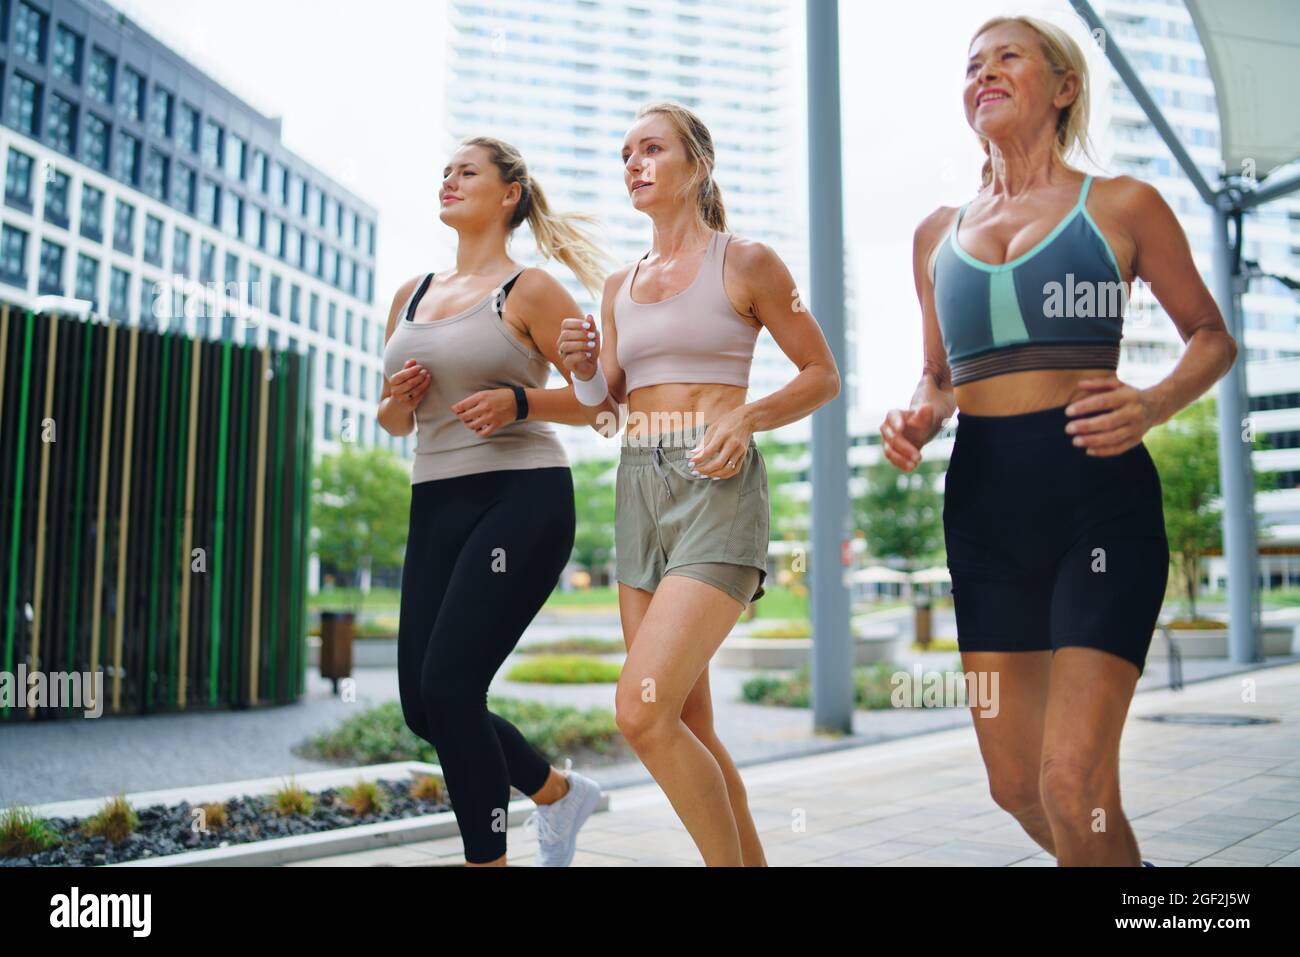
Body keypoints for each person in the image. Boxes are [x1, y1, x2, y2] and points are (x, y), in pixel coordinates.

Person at [879, 15, 1236, 866]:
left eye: (1009, 58)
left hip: (1098, 501)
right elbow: (939, 377)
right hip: (982, 513)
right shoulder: (936, 233)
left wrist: (1151, 405)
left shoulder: (1120, 204)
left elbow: (1212, 336)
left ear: (1065, 87)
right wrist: (919, 415)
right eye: (972, 65)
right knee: (1018, 786)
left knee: (1072, 785)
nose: (985, 74)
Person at [557, 102, 840, 866]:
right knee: (689, 722)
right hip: (636, 488)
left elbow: (822, 375)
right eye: (625, 154)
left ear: (698, 164)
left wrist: (747, 417)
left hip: (715, 485)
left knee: (640, 711)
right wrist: (581, 363)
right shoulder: (619, 283)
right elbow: (602, 412)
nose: (634, 164)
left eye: (652, 148)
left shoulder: (745, 262)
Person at [379, 136, 613, 867]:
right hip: (434, 499)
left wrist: (519, 400)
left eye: (466, 171)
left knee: (450, 685)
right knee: (426, 706)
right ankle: (557, 794)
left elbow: (603, 405)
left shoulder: (531, 289)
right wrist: (396, 400)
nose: (448, 179)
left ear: (509, 193)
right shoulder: (410, 293)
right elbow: (393, 421)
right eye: (443, 170)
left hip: (523, 497)